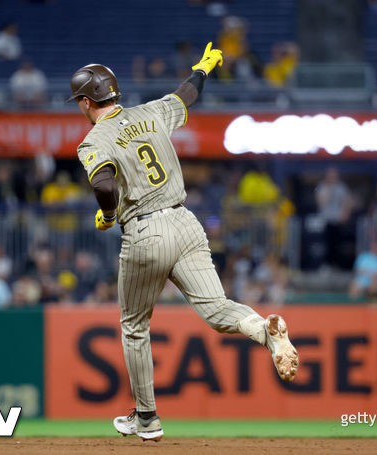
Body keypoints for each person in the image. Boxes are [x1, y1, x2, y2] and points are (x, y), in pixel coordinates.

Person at [68, 42, 298, 442]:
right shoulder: (152, 111)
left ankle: (147, 418)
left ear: (87, 101)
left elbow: (104, 183)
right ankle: (266, 330)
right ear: (115, 92)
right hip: (186, 223)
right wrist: (202, 70)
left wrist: (107, 213)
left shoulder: (93, 139)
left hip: (144, 230)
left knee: (135, 326)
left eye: (79, 101)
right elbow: (186, 96)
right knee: (217, 308)